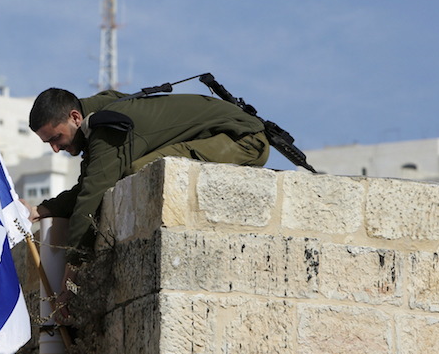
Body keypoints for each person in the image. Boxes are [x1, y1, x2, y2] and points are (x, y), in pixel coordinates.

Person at [26, 87, 269, 320]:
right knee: (126, 170)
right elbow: (91, 181)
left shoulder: (106, 129)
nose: (56, 149)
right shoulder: (97, 115)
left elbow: (91, 196)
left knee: (134, 171)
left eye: (57, 138)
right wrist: (41, 210)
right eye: (49, 143)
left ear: (75, 117)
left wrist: (72, 272)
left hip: (243, 140)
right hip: (227, 133)